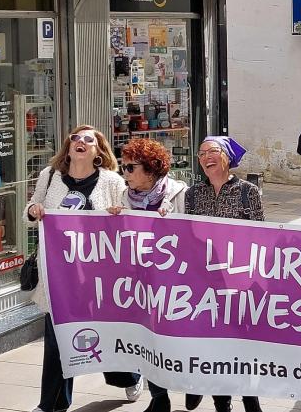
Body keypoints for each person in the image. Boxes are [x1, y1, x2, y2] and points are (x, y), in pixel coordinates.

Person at [26, 125, 142, 412]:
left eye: (87, 139)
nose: (79, 142)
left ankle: (129, 376)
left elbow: (128, 222)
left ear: (98, 150)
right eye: (75, 138)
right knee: (56, 338)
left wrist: (119, 214)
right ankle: (51, 404)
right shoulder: (50, 176)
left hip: (98, 278)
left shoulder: (112, 181)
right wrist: (33, 211)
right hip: (59, 276)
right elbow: (31, 208)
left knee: (105, 336)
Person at [184, 137, 264, 412]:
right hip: (207, 284)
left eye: (213, 152)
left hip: (240, 283)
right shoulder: (193, 194)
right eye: (201, 152)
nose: (207, 157)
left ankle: (251, 401)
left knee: (241, 347)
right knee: (215, 347)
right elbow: (188, 237)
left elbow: (259, 237)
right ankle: (221, 403)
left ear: (227, 157)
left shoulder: (247, 191)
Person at [113, 140, 189, 412]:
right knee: (148, 339)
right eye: (124, 167)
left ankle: (193, 385)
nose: (125, 173)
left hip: (175, 283)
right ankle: (159, 397)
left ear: (151, 169)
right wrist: (112, 219)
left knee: (175, 340)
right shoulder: (122, 198)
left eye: (131, 167)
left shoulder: (180, 194)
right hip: (139, 282)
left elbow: (195, 235)